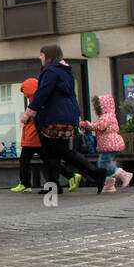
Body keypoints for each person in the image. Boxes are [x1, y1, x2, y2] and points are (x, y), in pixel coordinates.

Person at [21, 44, 113, 196]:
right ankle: (53, 185)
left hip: (54, 117)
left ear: (48, 55)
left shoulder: (51, 71)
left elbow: (42, 92)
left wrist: (29, 113)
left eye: (42, 55)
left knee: (59, 151)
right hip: (67, 116)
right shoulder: (66, 71)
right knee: (52, 153)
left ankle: (96, 173)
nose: (40, 58)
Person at [11, 77, 78, 193]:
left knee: (24, 161)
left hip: (33, 139)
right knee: (49, 161)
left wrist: (24, 118)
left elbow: (31, 118)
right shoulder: (42, 99)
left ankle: (25, 183)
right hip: (40, 138)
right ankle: (70, 176)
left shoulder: (35, 102)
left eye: (24, 91)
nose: (24, 95)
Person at [81, 95, 133, 192]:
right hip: (108, 144)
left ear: (103, 107)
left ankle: (123, 174)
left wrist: (86, 124)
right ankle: (109, 184)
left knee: (103, 165)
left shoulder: (107, 116)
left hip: (110, 143)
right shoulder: (107, 116)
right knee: (104, 163)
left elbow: (100, 126)